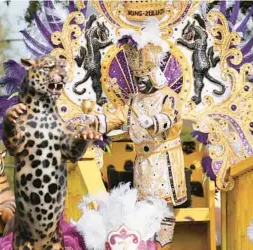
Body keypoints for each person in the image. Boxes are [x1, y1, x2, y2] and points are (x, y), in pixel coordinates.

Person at [79, 43, 187, 249]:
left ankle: (163, 247)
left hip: (164, 161)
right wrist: (95, 120)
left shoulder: (168, 96)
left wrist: (154, 122)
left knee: (164, 209)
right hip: (142, 163)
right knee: (143, 211)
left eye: (143, 79)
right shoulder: (134, 101)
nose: (139, 84)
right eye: (137, 80)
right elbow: (116, 118)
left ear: (154, 75)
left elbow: (169, 117)